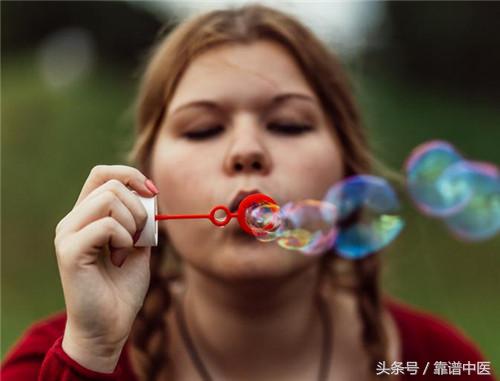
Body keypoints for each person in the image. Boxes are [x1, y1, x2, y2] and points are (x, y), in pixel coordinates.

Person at [1, 4, 495, 381]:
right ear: (147, 184)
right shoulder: (57, 356)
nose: (246, 150)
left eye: (287, 123)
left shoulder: (438, 361)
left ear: (346, 168)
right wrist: (89, 354)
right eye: (201, 130)